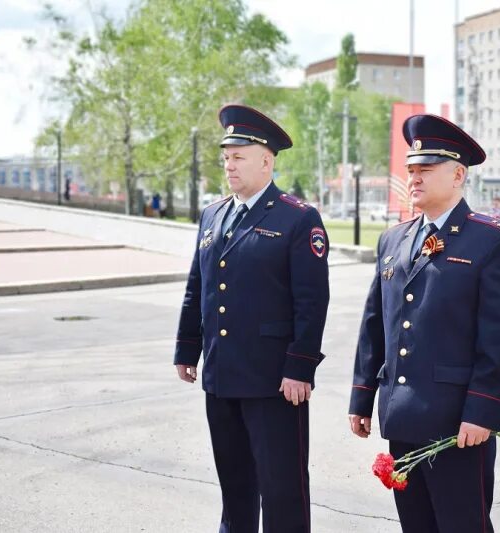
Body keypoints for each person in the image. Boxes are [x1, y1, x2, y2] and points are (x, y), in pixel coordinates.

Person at [348, 114, 500, 532]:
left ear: (458, 175)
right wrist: (362, 396)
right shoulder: (393, 240)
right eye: (411, 169)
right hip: (402, 418)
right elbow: (376, 323)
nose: (414, 178)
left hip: (457, 422)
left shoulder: (492, 240)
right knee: (417, 526)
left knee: (463, 525)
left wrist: (483, 412)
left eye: (425, 169)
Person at [174, 104, 330, 533]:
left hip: (274, 382)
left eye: (238, 156)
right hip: (222, 376)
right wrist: (188, 349)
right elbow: (197, 287)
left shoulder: (297, 218)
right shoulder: (213, 214)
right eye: (226, 157)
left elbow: (312, 301)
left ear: (266, 159)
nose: (229, 165)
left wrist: (300, 367)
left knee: (282, 490)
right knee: (235, 487)